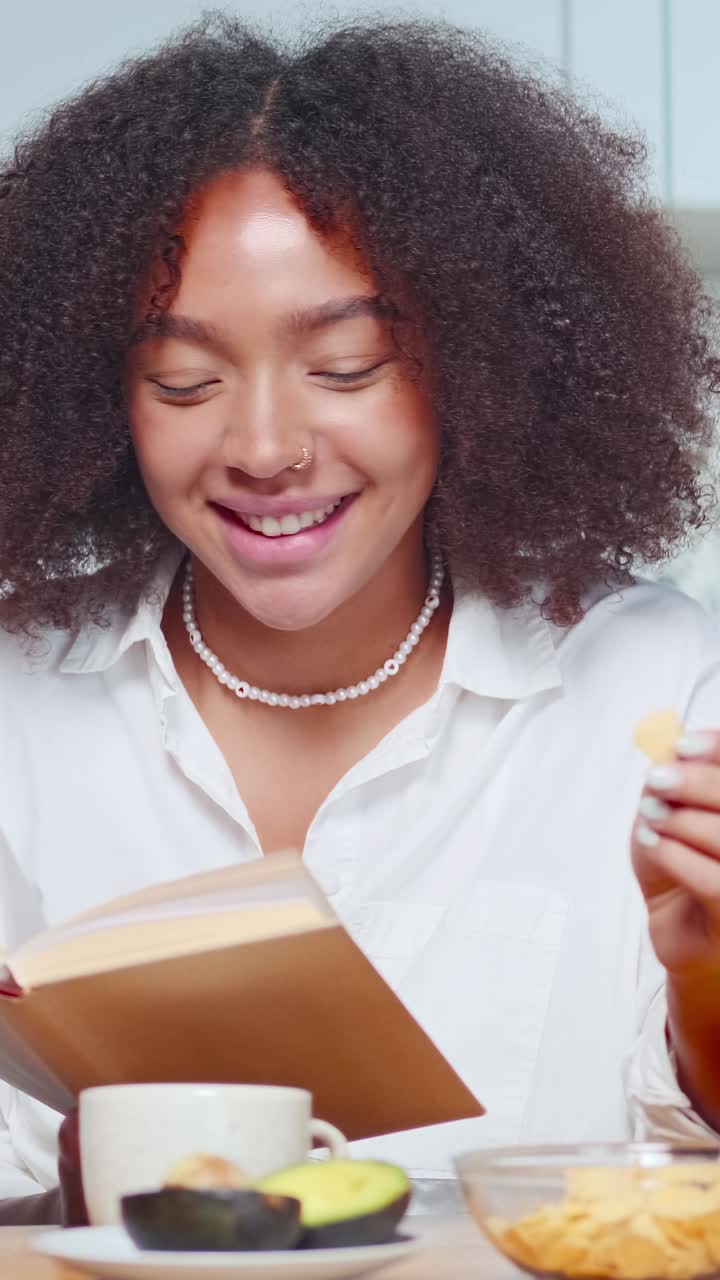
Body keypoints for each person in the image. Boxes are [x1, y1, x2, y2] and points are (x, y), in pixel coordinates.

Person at [1, 12, 720, 1228]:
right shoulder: (21, 697)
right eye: (184, 381)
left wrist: (705, 969)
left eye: (345, 366)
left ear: (478, 364)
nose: (267, 447)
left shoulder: (651, 680)